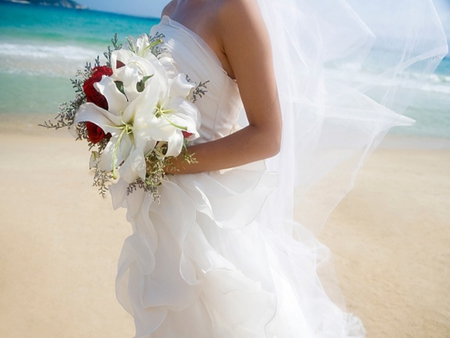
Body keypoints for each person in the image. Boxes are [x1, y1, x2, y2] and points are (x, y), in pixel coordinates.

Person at [111, 0, 448, 337]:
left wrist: (170, 164)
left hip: (204, 215)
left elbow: (268, 136)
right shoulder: (173, 7)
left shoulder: (235, 9)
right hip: (159, 213)